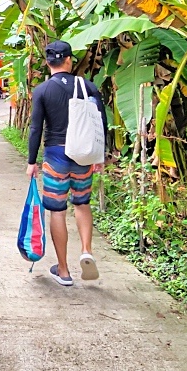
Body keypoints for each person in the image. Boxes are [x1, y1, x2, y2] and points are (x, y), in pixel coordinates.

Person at [26, 40, 107, 286]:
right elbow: (100, 122)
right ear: (69, 60)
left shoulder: (42, 91)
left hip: (55, 156)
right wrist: (100, 155)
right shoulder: (88, 86)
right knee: (82, 204)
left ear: (48, 62)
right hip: (83, 155)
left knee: (57, 210)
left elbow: (35, 128)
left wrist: (32, 161)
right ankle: (86, 251)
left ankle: (63, 271)